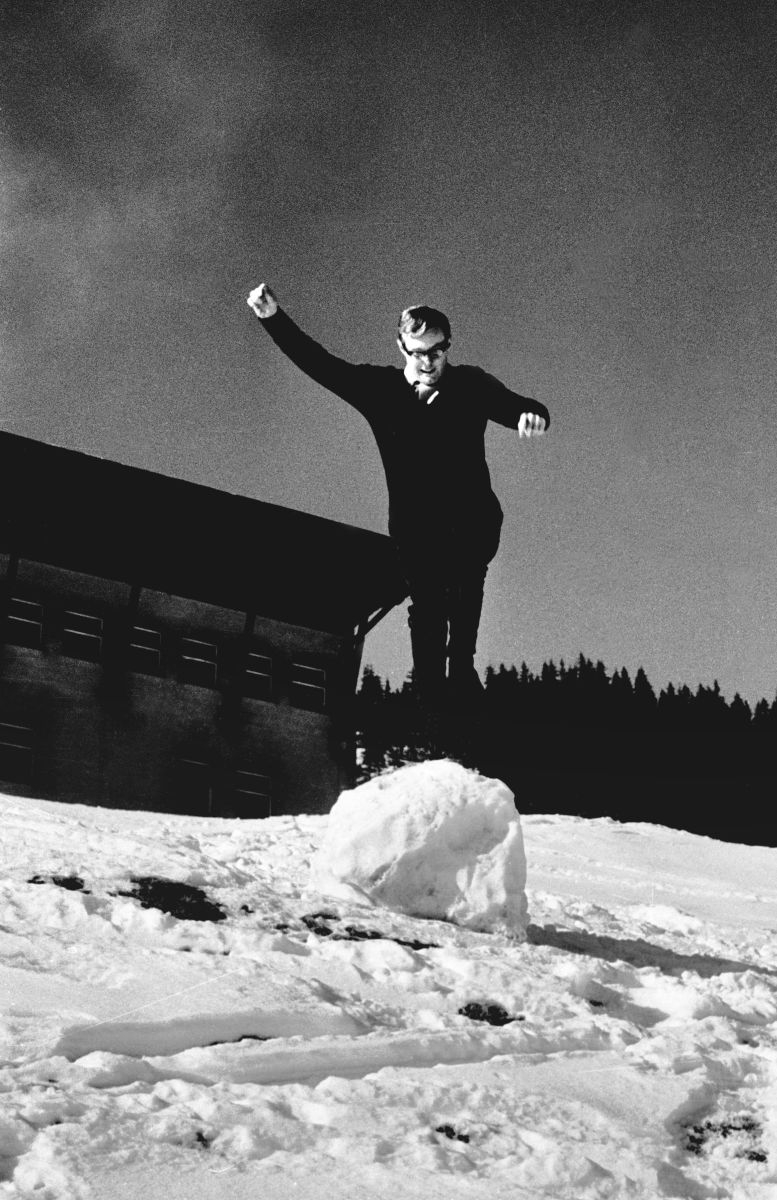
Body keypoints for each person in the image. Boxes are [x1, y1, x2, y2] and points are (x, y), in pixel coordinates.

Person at [246, 282, 549, 708]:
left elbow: (518, 405)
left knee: (463, 583)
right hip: (415, 529)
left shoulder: (471, 385)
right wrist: (272, 317)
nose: (428, 362)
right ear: (401, 347)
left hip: (472, 520)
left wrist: (529, 417)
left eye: (437, 351)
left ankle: (461, 669)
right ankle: (429, 695)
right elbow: (319, 364)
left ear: (448, 346)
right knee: (427, 606)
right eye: (417, 352)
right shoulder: (379, 390)